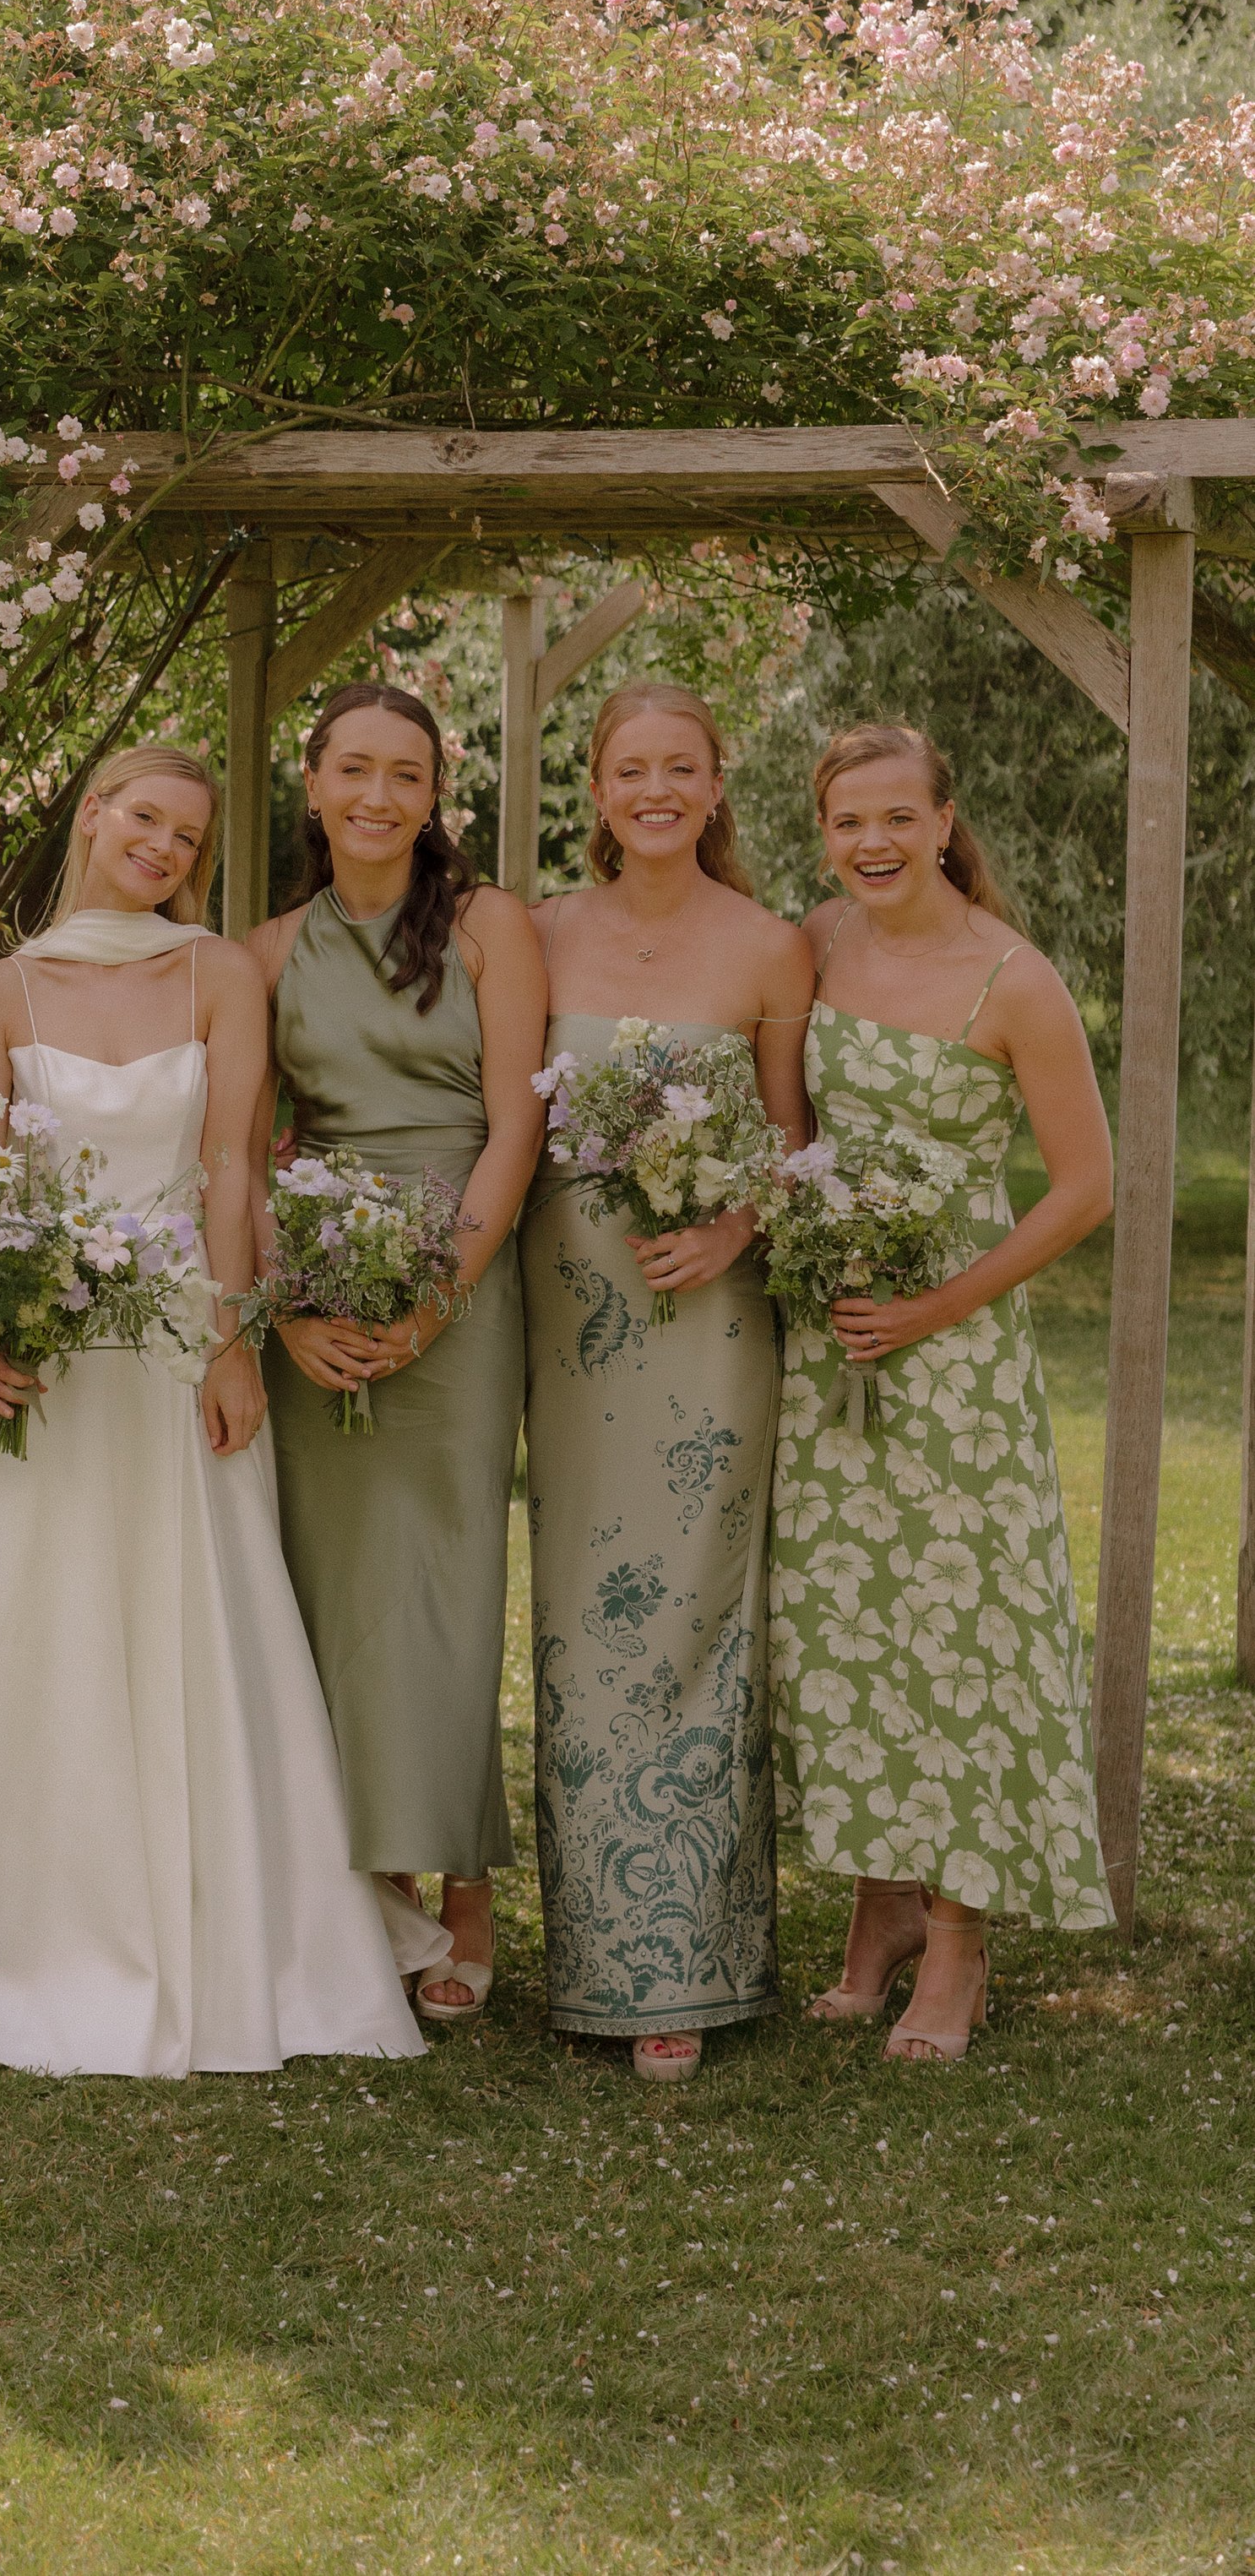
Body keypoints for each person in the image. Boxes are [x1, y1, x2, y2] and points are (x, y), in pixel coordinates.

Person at [0, 744, 447, 2076]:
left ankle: (231, 1930)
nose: (165, 847)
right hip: (42, 1355)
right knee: (24, 1630)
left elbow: (231, 1165)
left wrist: (231, 1341)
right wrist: (3, 1331)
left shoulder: (218, 975)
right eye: (146, 817)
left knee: (197, 1624)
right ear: (94, 815)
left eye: (190, 837)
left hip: (176, 1354)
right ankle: (1, 1933)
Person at [771, 721, 1116, 2062]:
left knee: (962, 1631)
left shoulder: (1013, 979)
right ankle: (879, 1912)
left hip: (954, 1357)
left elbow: (1083, 1188)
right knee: (846, 1625)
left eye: (896, 818)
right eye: (848, 820)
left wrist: (932, 1305)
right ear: (825, 831)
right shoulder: (822, 941)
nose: (872, 842)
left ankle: (960, 1939)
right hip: (834, 1338)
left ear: (945, 816)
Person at [524, 681, 813, 2080]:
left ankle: (685, 1969)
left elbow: (792, 1142)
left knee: (699, 1611)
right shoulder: (536, 932)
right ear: (597, 789)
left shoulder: (771, 948)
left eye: (678, 767)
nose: (653, 788)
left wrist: (735, 1221)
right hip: (567, 1321)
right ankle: (586, 1950)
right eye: (629, 767)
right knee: (583, 1615)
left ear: (713, 786)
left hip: (710, 1328)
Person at [250, 683, 546, 2022]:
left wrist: (439, 1301)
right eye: (353, 770)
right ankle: (364, 1898)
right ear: (311, 783)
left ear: (438, 796)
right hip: (316, 1284)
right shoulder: (258, 955)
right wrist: (289, 1305)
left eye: (406, 775)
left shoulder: (491, 929)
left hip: (461, 1278)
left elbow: (514, 1128)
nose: (378, 796)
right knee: (325, 1593)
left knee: (448, 1585)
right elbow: (247, 1154)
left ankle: (468, 1890)